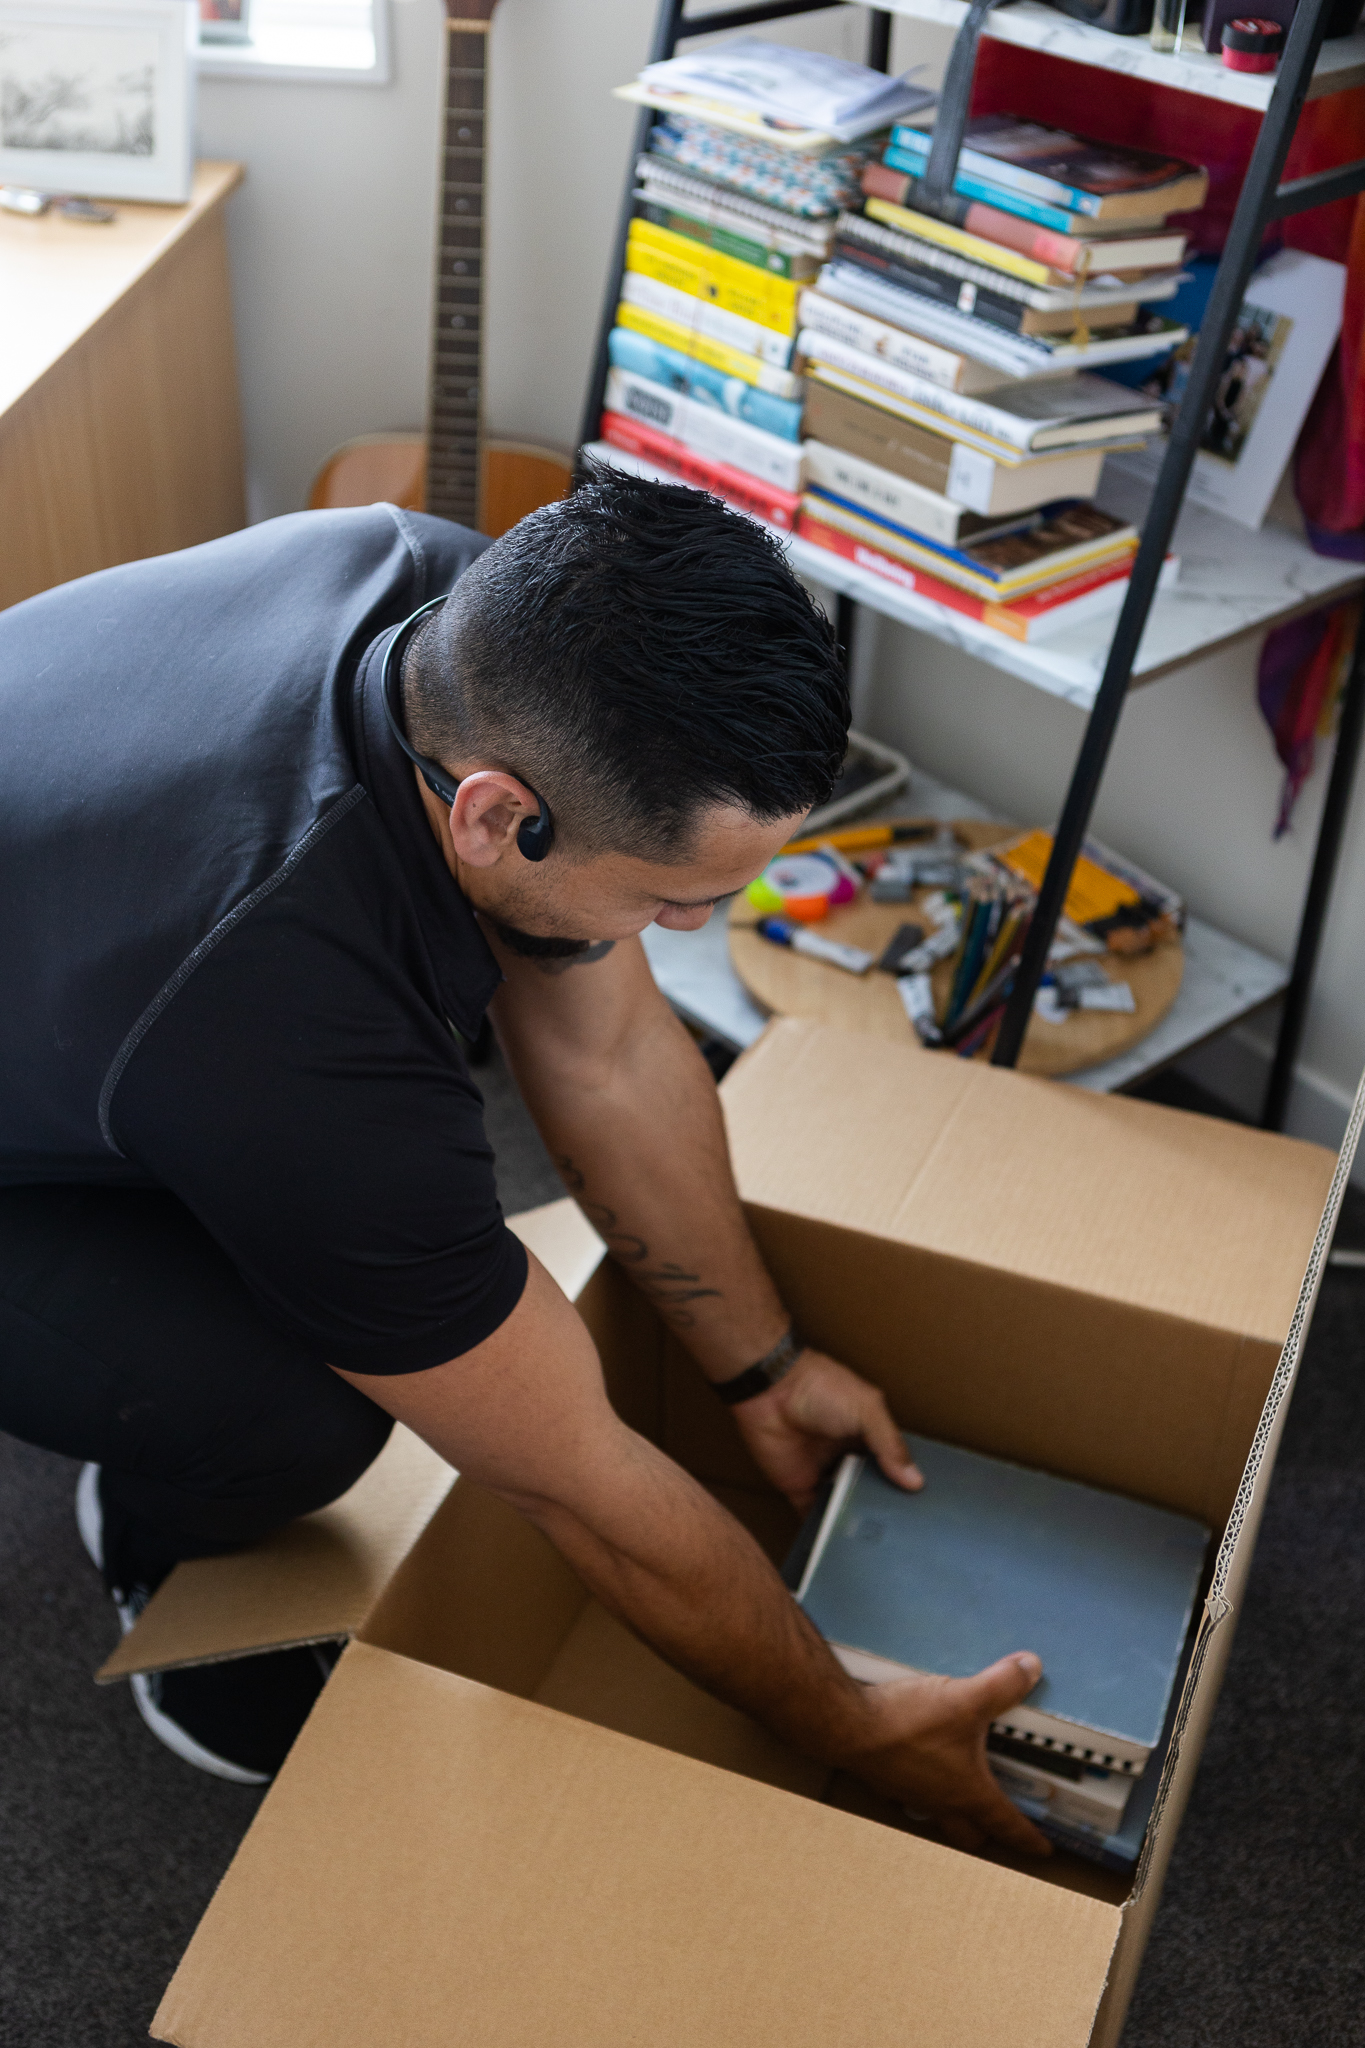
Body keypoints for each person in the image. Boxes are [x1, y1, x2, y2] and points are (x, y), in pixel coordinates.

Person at [0, 466, 1045, 1856]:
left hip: (90, 989)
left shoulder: (465, 606)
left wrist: (765, 1369)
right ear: (493, 815)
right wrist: (848, 1722)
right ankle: (155, 1543)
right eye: (675, 899)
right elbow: (569, 1479)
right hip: (120, 1040)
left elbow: (606, 1060)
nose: (684, 935)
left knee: (315, 1217)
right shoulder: (291, 1033)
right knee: (297, 1416)